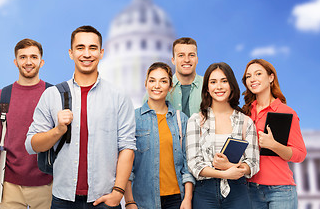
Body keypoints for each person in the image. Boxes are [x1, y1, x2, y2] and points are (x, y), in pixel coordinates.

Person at [25, 25, 136, 209]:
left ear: (101, 53)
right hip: (62, 199)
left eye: (93, 48)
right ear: (71, 53)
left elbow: (127, 147)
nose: (87, 54)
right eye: (80, 47)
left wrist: (118, 193)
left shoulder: (118, 96)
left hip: (104, 199)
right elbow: (31, 145)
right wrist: (58, 130)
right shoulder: (52, 95)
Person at [0, 38, 52, 208]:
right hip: (9, 186)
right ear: (15, 62)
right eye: (23, 57)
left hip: (48, 184)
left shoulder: (53, 95)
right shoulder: (1, 98)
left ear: (41, 62)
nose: (28, 62)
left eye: (33, 57)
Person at [186, 62, 260, 209]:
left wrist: (230, 167)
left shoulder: (245, 122)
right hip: (205, 192)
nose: (219, 87)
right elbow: (194, 163)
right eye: (213, 82)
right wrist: (226, 173)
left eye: (224, 81)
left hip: (238, 191)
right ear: (207, 88)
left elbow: (253, 162)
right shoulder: (196, 120)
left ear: (231, 85)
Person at [124, 62, 195, 209]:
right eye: (152, 80)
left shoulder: (181, 120)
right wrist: (129, 201)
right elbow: (126, 166)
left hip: (177, 199)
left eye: (163, 81)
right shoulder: (133, 119)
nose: (157, 85)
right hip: (143, 201)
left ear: (170, 87)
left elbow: (188, 165)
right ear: (146, 84)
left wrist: (187, 199)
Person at [242, 59, 306, 209]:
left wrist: (274, 145)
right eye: (248, 76)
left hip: (280, 190)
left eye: (258, 74)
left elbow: (300, 154)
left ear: (271, 78)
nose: (253, 79)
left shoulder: (285, 112)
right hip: (249, 189)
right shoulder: (244, 113)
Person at [169, 37, 203, 118]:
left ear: (197, 59)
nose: (187, 60)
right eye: (181, 55)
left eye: (191, 55)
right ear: (173, 60)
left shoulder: (209, 85)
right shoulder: (161, 88)